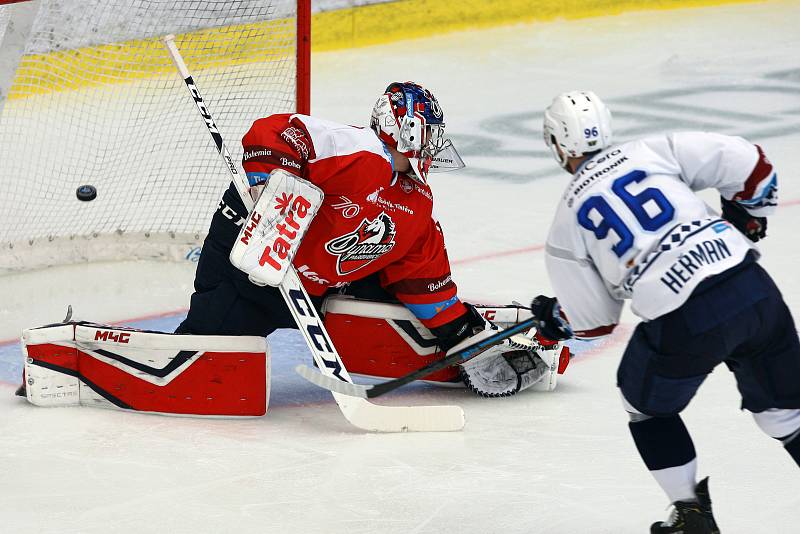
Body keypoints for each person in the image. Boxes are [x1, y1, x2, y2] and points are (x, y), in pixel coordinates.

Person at [176, 81, 555, 397]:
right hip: (246, 268)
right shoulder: (358, 151)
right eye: (430, 133)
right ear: (405, 130)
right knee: (206, 364)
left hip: (317, 292)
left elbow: (421, 277)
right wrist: (273, 184)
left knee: (404, 314)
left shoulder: (417, 202)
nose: (435, 145)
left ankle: (469, 333)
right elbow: (275, 132)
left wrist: (462, 334)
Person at [530, 90, 800, 533]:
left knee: (644, 407)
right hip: (753, 289)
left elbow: (595, 323)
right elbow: (752, 165)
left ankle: (690, 514)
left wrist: (558, 318)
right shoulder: (654, 150)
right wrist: (749, 214)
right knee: (784, 415)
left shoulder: (567, 220)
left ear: (559, 143)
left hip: (685, 319)